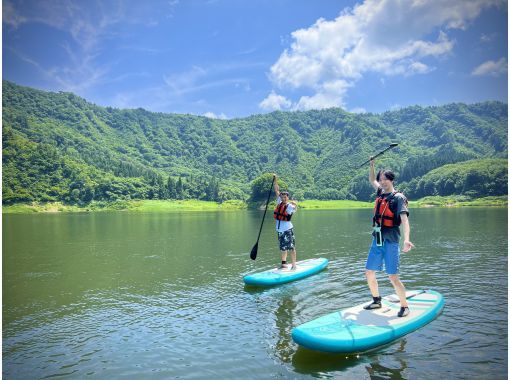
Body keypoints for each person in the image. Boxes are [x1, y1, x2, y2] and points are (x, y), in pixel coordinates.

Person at [363, 159, 415, 317]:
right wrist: (372, 165)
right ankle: (376, 300)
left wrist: (406, 239)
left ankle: (404, 307)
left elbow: (405, 220)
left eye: (385, 179)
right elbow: (371, 179)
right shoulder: (380, 192)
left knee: (393, 276)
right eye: (381, 180)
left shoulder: (398, 198)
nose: (382, 182)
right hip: (377, 239)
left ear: (391, 180)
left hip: (391, 240)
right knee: (369, 272)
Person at [273, 174, 298, 270]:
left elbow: (295, 208)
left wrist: (295, 204)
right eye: (282, 197)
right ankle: (283, 264)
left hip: (287, 230)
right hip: (279, 230)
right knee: (282, 248)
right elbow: (276, 190)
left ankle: (294, 265)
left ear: (288, 197)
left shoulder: (289, 206)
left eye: (285, 197)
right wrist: (275, 180)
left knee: (291, 247)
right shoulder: (279, 202)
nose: (283, 198)